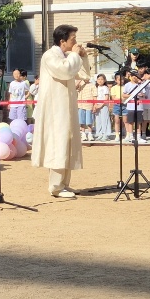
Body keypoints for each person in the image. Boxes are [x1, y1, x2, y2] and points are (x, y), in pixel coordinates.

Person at [32, 25, 88, 198]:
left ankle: (64, 184)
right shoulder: (50, 55)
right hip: (55, 109)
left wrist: (83, 57)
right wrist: (75, 55)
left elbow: (84, 75)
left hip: (67, 107)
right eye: (73, 39)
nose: (75, 42)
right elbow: (65, 71)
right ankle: (55, 186)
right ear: (62, 41)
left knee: (68, 142)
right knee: (58, 143)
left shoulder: (66, 56)